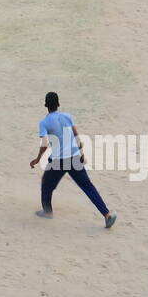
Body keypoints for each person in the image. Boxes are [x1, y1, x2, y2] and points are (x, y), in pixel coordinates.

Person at [29, 92, 116, 228]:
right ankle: (107, 215)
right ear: (58, 103)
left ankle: (48, 212)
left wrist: (37, 159)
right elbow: (76, 136)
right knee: (88, 186)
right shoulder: (67, 116)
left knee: (46, 183)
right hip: (74, 157)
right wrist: (81, 153)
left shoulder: (44, 122)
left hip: (59, 161)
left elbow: (45, 144)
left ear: (46, 105)